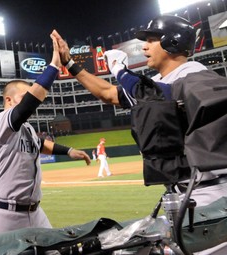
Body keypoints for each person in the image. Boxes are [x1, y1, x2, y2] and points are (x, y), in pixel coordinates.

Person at [52, 15, 227, 254]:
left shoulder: (196, 75)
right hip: (185, 197)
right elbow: (108, 93)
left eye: (152, 40)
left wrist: (121, 71)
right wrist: (70, 64)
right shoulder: (160, 82)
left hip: (213, 196)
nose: (144, 46)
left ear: (172, 42)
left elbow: (160, 94)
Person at [0, 32, 91, 237]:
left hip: (35, 212)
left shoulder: (27, 128)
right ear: (8, 100)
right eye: (23, 97)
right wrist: (54, 65)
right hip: (4, 214)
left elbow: (39, 144)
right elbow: (29, 104)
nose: (28, 99)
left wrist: (68, 151)